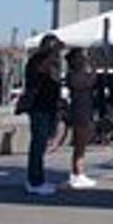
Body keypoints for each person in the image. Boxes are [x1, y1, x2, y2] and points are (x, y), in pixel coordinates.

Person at [19, 34, 64, 196]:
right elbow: (40, 72)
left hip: (48, 106)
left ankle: (39, 178)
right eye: (55, 47)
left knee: (42, 143)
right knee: (37, 143)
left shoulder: (53, 62)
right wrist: (51, 55)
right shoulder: (38, 59)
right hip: (39, 106)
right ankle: (34, 180)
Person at [64, 47, 97, 190]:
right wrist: (92, 72)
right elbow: (87, 83)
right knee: (80, 143)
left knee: (82, 145)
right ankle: (77, 173)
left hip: (85, 109)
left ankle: (79, 172)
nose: (84, 59)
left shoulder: (78, 74)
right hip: (79, 110)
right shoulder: (74, 75)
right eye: (81, 57)